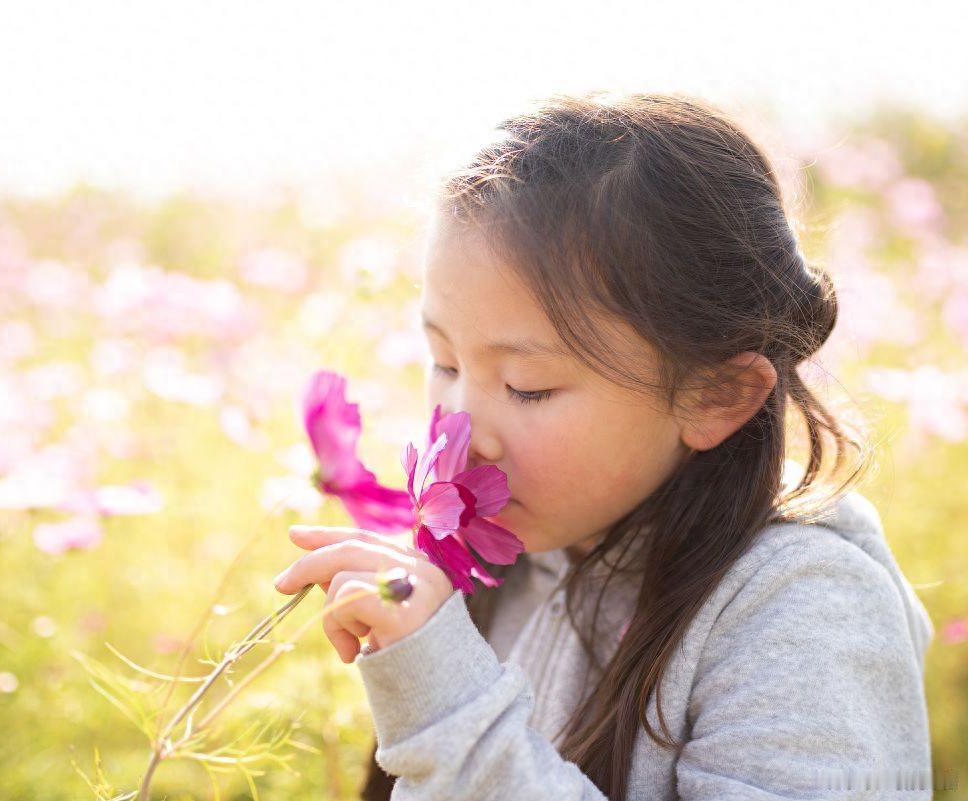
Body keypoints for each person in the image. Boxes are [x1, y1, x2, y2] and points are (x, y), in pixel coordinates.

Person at [273, 91, 935, 800]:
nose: (462, 431)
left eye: (527, 386)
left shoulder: (803, 610)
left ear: (716, 394)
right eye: (445, 363)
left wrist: (450, 709)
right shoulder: (520, 559)